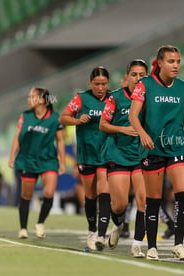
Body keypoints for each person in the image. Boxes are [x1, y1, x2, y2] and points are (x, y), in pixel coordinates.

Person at [129, 45, 184, 261]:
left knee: (183, 195)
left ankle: (179, 244)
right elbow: (133, 115)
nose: (176, 65)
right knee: (154, 200)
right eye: (171, 61)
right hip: (152, 149)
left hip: (177, 146)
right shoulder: (145, 85)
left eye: (178, 61)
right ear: (159, 63)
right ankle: (151, 246)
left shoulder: (183, 87)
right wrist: (142, 134)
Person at [99, 59, 148, 257]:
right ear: (126, 77)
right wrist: (122, 129)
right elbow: (102, 124)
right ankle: (117, 224)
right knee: (119, 205)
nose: (137, 79)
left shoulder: (150, 97)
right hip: (118, 155)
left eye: (142, 75)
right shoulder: (115, 98)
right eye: (134, 75)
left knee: (144, 200)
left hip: (141, 155)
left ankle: (137, 244)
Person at [59, 67, 111, 251]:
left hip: (106, 154)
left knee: (104, 191)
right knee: (90, 195)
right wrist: (77, 120)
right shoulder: (81, 98)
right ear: (90, 83)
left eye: (104, 84)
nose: (100, 87)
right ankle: (92, 230)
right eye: (97, 84)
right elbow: (63, 117)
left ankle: (102, 235)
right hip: (86, 155)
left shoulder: (113, 99)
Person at [8, 87, 66, 239]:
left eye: (31, 96)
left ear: (41, 100)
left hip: (48, 160)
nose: (28, 99)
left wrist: (62, 161)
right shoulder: (25, 116)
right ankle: (23, 228)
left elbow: (60, 140)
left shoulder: (55, 118)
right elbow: (17, 136)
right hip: (28, 161)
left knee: (49, 193)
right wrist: (12, 156)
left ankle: (40, 222)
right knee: (26, 196)